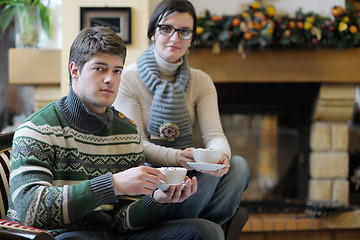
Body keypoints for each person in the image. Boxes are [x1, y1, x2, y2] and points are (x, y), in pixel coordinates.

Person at [6, 26, 225, 240]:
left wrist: (157, 200)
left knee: (206, 231)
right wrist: (113, 184)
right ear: (75, 70)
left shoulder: (127, 132)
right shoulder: (37, 128)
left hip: (112, 234)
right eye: (100, 68)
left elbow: (122, 220)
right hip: (63, 235)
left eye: (117, 70)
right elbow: (31, 209)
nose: (110, 79)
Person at [113, 0, 251, 226]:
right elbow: (136, 144)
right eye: (166, 29)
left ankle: (203, 228)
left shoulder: (200, 81)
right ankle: (193, 229)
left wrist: (221, 157)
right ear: (152, 33)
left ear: (192, 40)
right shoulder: (128, 79)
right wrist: (177, 158)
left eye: (184, 32)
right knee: (199, 177)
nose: (175, 38)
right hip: (150, 182)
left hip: (188, 173)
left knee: (238, 166)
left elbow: (214, 134)